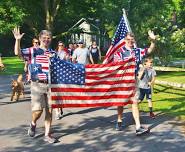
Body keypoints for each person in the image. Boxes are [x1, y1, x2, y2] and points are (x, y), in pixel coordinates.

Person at [12, 27, 58, 143]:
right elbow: (18, 53)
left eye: (49, 38)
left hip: (51, 85)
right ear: (40, 38)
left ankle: (47, 134)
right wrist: (17, 40)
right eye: (44, 38)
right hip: (37, 84)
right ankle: (33, 124)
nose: (46, 40)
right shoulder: (33, 51)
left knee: (50, 110)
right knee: (38, 111)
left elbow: (58, 68)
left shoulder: (53, 53)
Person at [113, 30, 157, 135]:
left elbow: (150, 50)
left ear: (134, 40)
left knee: (135, 102)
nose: (130, 41)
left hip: (134, 81)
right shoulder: (119, 52)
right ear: (124, 40)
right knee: (121, 103)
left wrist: (153, 41)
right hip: (122, 82)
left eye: (132, 40)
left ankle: (138, 127)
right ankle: (119, 120)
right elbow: (116, 66)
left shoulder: (138, 51)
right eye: (128, 39)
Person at [54, 41, 69, 120]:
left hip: (62, 76)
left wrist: (67, 59)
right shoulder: (54, 53)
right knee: (56, 94)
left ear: (63, 46)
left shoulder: (65, 54)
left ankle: (61, 108)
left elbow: (67, 64)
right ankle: (57, 112)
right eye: (59, 45)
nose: (60, 46)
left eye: (62, 45)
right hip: (55, 76)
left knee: (61, 94)